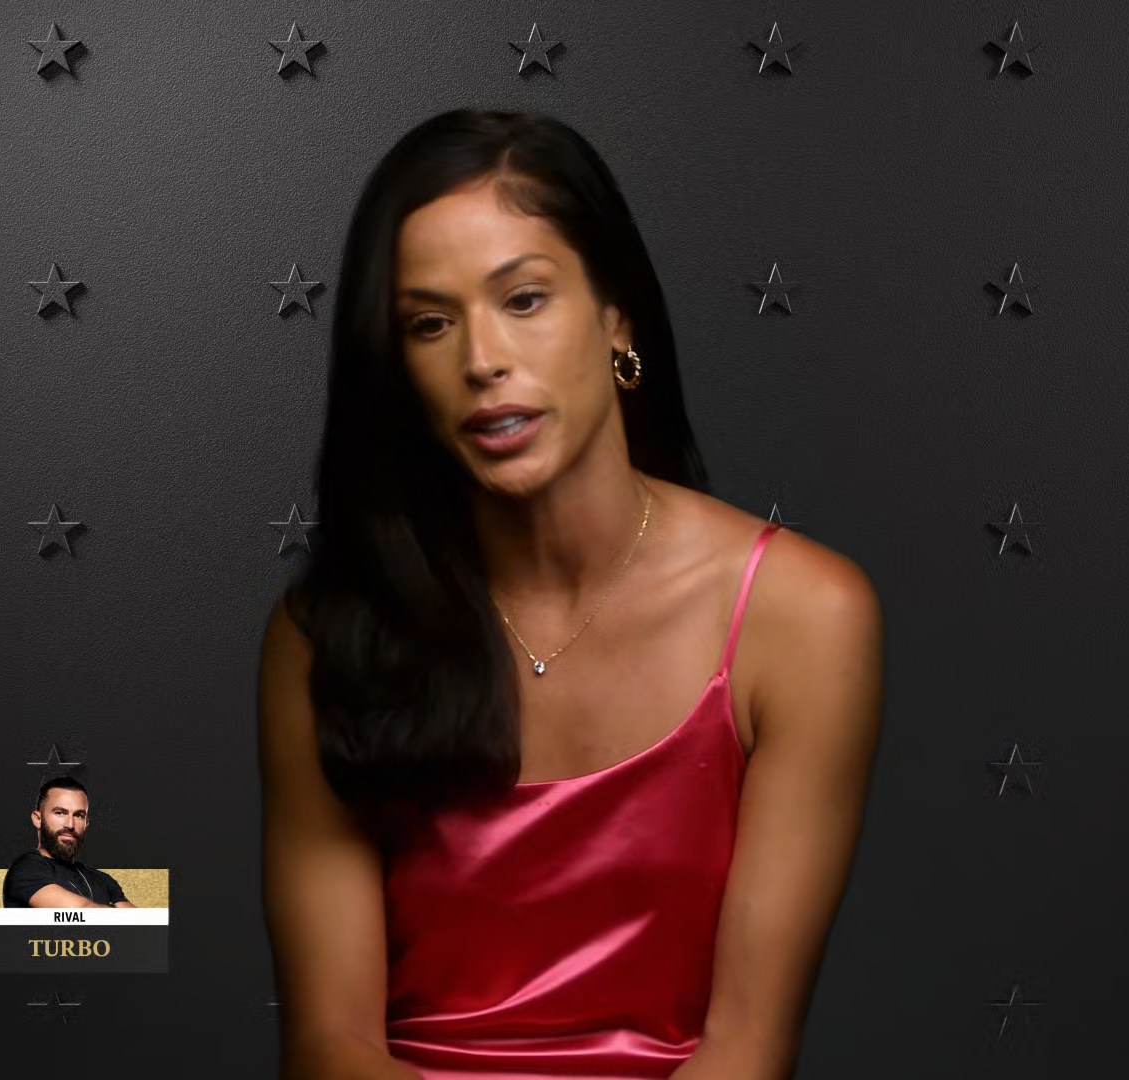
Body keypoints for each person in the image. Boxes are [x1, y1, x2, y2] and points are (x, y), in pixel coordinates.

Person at [258, 109, 884, 1080]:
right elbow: (328, 1048)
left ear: (614, 316)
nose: (481, 360)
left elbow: (748, 1047)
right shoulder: (327, 634)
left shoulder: (803, 616)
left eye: (525, 298)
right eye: (430, 323)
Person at [2, 775, 136, 909]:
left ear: (86, 823)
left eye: (79, 815)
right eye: (60, 813)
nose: (70, 825)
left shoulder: (104, 880)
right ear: (38, 819)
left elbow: (141, 920)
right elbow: (82, 913)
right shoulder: (26, 869)